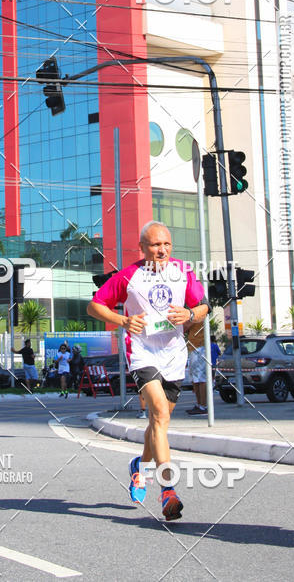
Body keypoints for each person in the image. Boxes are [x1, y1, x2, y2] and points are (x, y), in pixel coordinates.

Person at [87, 221, 209, 521]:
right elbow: (94, 306)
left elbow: (204, 306)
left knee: (160, 424)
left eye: (166, 244)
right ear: (142, 248)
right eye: (155, 245)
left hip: (174, 354)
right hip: (142, 353)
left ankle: (139, 468)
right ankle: (168, 490)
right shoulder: (128, 276)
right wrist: (123, 321)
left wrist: (191, 313)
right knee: (158, 413)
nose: (162, 250)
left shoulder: (183, 272)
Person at [186, 323, 208, 416]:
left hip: (199, 347)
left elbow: (186, 326)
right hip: (193, 347)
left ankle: (203, 405)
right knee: (195, 379)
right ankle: (199, 404)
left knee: (200, 378)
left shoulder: (198, 315)